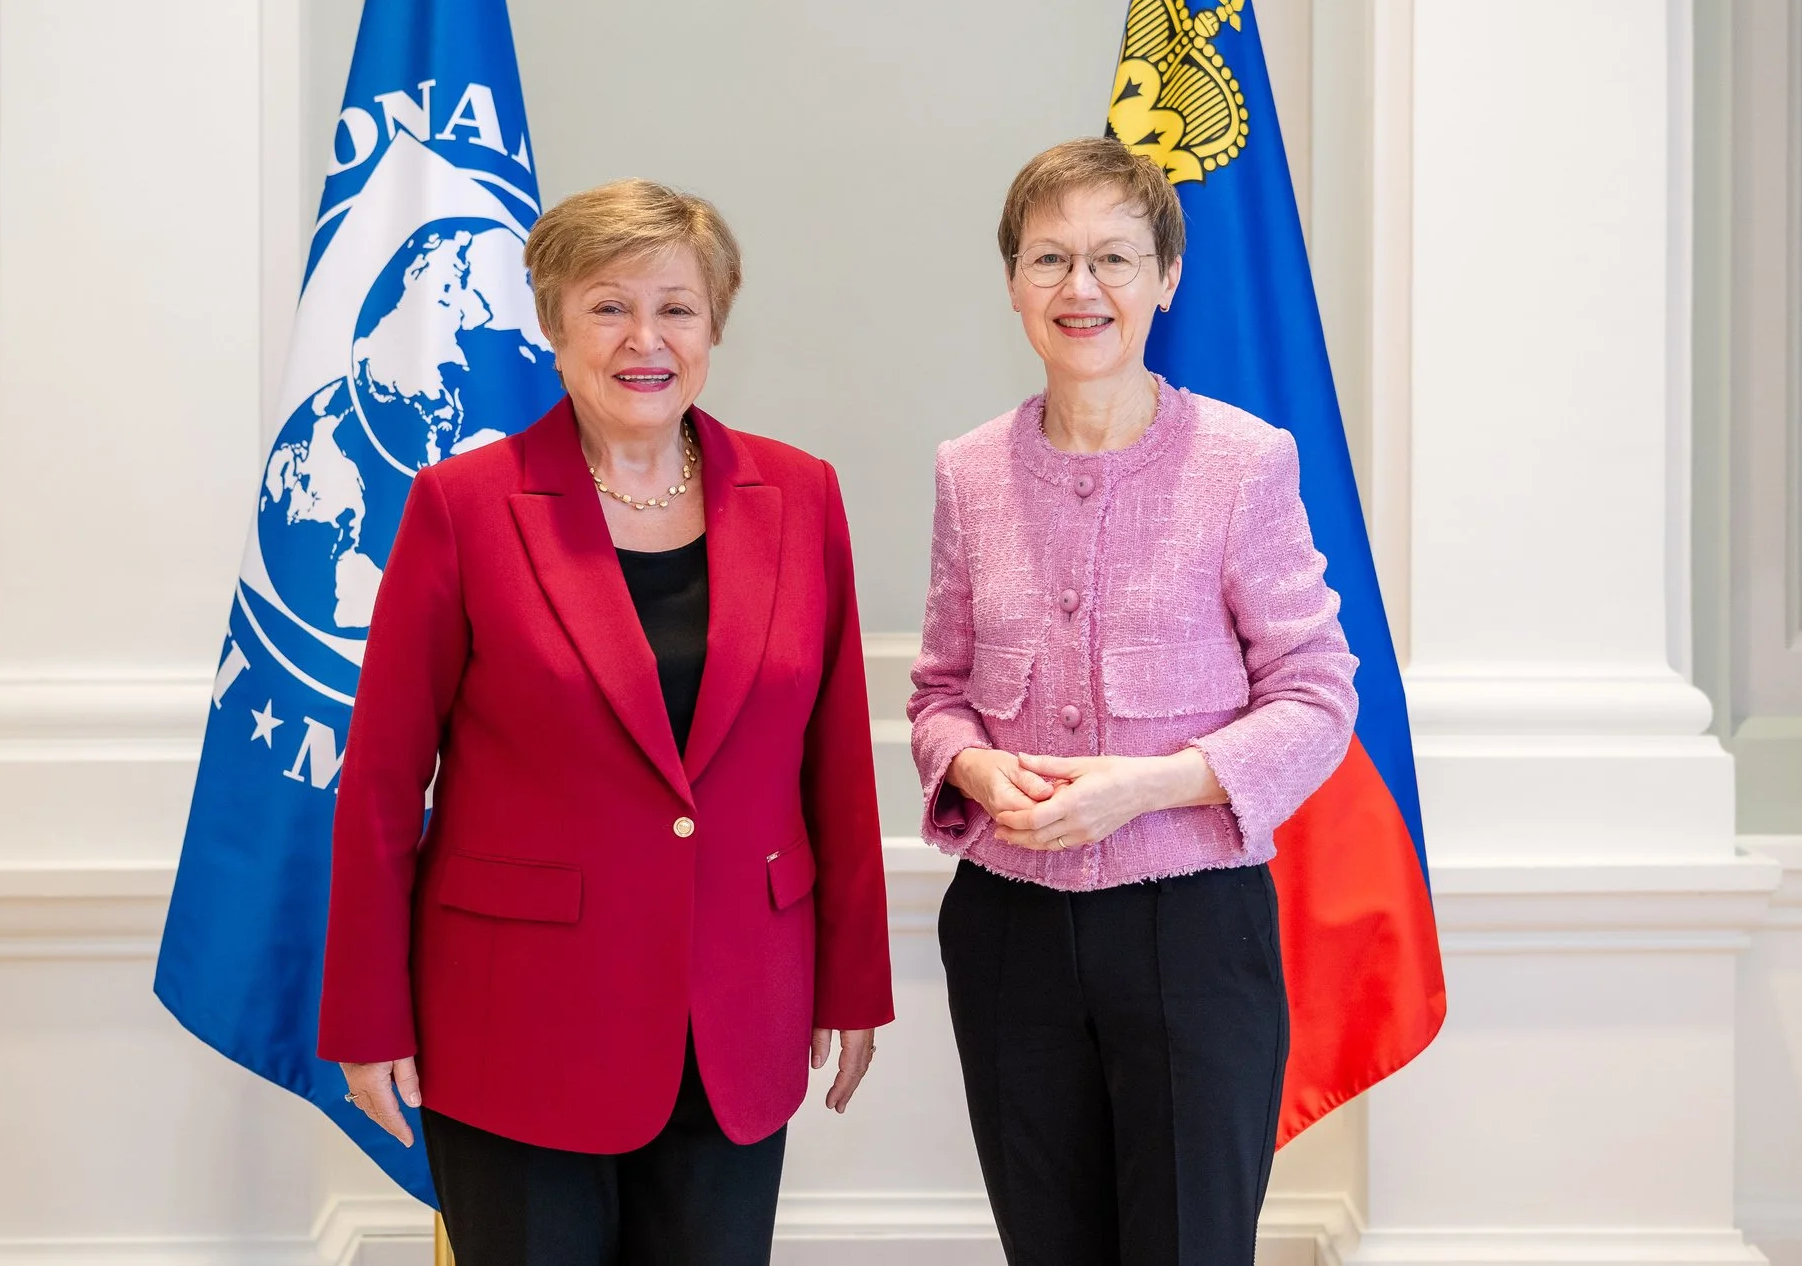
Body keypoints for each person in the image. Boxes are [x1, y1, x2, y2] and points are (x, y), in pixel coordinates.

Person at [322, 179, 893, 1266]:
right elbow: (385, 782)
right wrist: (364, 1014)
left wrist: (853, 976)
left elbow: (834, 761)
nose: (646, 338)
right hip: (517, 1022)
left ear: (713, 325)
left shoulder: (801, 495)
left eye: (675, 307)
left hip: (737, 1010)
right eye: (607, 306)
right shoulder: (462, 505)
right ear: (551, 321)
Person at [907, 137, 1359, 1266]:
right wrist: (969, 764)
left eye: (1115, 256)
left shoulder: (1245, 461)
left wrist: (1150, 786)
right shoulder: (967, 469)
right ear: (1013, 281)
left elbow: (1315, 695)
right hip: (1007, 933)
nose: (1082, 287)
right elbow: (938, 694)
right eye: (1050, 257)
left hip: (1192, 928)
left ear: (1166, 276)